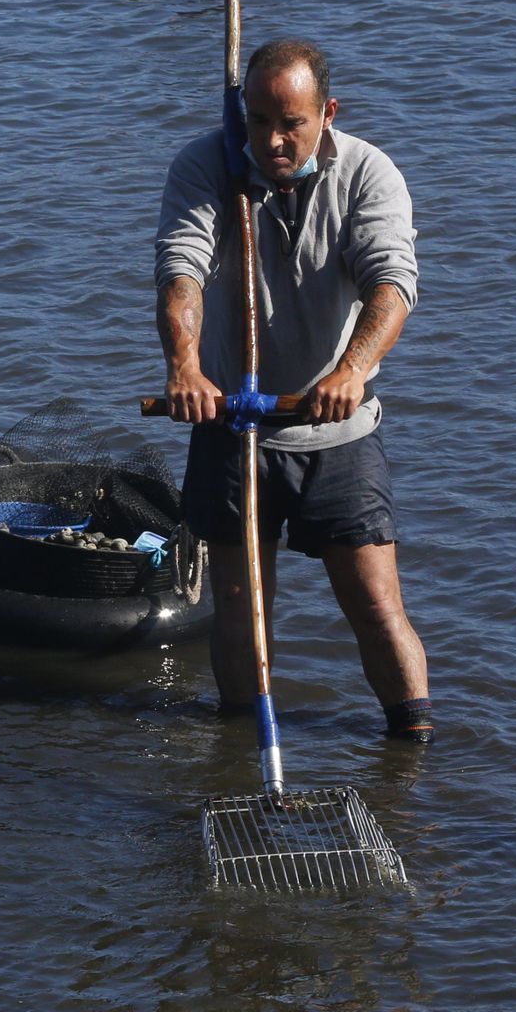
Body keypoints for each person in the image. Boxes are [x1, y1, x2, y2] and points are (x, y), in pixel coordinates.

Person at [152, 38, 432, 742]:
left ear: (327, 113)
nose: (273, 140)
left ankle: (416, 746)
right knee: (241, 607)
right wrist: (184, 366)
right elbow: (181, 271)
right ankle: (243, 746)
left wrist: (352, 369)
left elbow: (392, 286)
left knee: (374, 601)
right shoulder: (204, 165)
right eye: (258, 122)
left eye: (292, 124)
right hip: (231, 426)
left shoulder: (369, 173)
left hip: (335, 429)